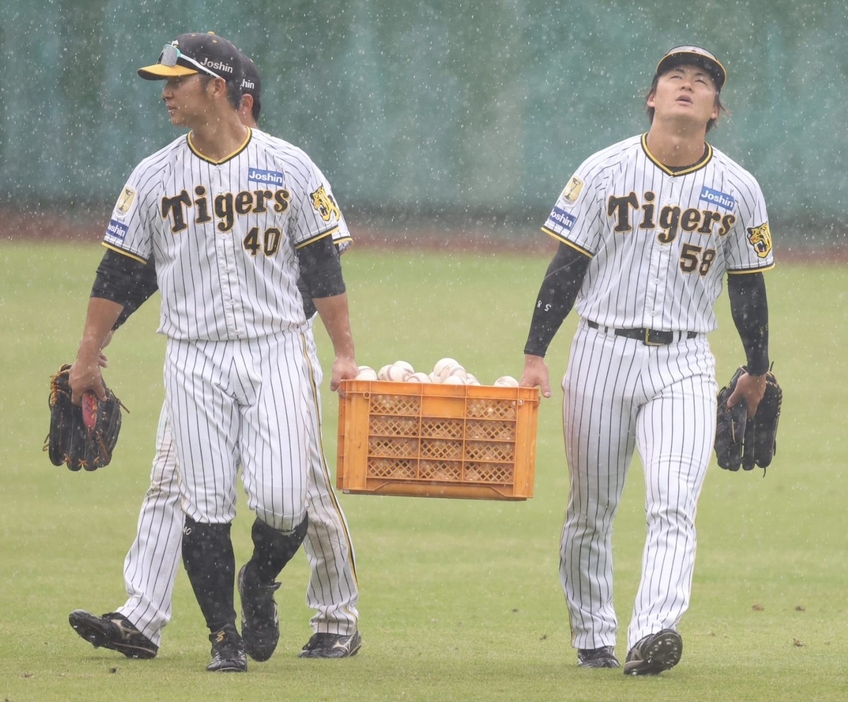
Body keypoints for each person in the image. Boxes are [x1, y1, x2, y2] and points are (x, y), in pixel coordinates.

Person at [68, 32, 359, 673]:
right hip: (193, 355)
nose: (166, 91)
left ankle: (263, 582)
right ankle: (221, 639)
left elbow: (322, 265)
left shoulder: (289, 165)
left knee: (287, 499)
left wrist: (343, 351)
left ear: (218, 88)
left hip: (278, 347)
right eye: (162, 81)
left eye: (177, 79)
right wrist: (89, 354)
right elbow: (119, 275)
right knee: (199, 501)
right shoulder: (152, 176)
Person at [520, 46, 773, 676]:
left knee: (673, 502)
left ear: (716, 110)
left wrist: (757, 368)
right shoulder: (606, 171)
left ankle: (653, 631)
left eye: (702, 83)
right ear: (652, 98)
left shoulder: (739, 188)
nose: (687, 86)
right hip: (601, 349)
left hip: (685, 361)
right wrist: (534, 354)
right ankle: (593, 635)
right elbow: (567, 267)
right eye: (675, 78)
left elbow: (747, 286)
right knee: (590, 511)